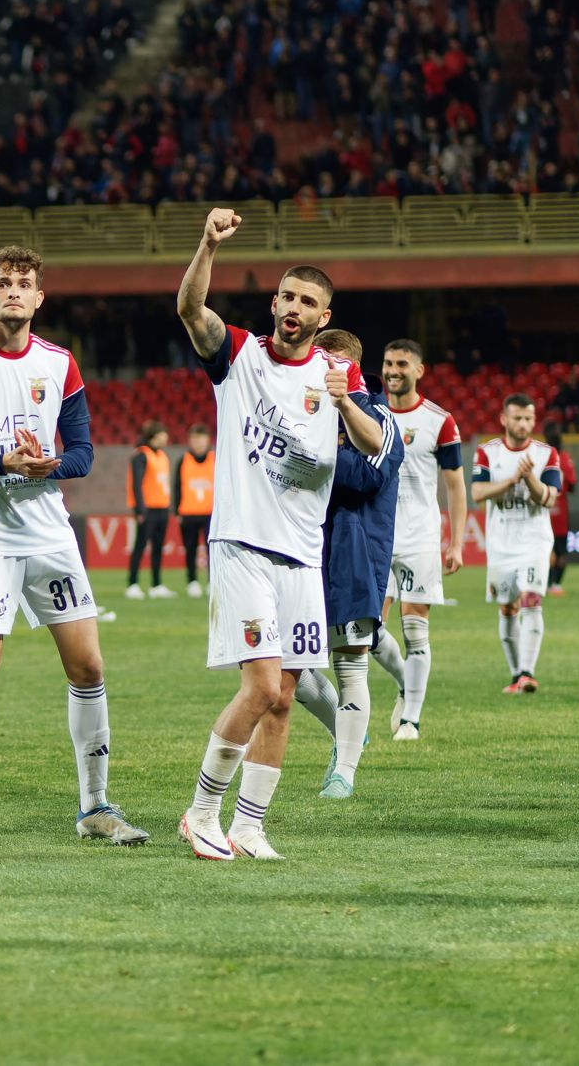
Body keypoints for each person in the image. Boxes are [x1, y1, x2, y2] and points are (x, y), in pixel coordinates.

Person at [0, 244, 148, 851]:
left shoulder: (60, 363)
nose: (14, 291)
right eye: (3, 283)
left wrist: (51, 467)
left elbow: (83, 451)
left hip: (49, 533)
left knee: (89, 666)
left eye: (24, 283)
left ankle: (95, 807)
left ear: (40, 297)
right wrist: (0, 460)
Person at [173, 207, 385, 861]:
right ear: (274, 303)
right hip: (243, 545)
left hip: (303, 556)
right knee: (262, 686)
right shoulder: (240, 354)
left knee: (286, 698)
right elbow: (190, 308)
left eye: (309, 301)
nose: (295, 306)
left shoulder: (337, 376)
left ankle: (251, 822)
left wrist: (345, 398)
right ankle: (202, 811)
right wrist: (208, 244)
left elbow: (375, 446)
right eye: (288, 295)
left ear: (325, 317)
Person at [299, 330, 402, 800]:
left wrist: (308, 455)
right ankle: (346, 734)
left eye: (335, 361)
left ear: (352, 365)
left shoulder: (379, 414)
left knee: (350, 667)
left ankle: (345, 771)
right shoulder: (303, 408)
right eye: (322, 360)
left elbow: (367, 475)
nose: (327, 369)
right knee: (286, 672)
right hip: (298, 553)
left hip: (353, 556)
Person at [376, 338, 467, 740]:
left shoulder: (439, 421)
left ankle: (411, 717)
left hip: (419, 536)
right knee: (366, 631)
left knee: (415, 630)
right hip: (375, 533)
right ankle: (404, 683)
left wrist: (457, 541)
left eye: (401, 364)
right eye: (387, 363)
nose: (392, 370)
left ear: (419, 370)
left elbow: (455, 487)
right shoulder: (368, 412)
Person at [470, 395, 561, 694]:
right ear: (504, 419)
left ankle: (528, 672)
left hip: (534, 541)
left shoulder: (547, 454)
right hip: (500, 544)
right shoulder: (487, 453)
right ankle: (514, 676)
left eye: (528, 419)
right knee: (507, 607)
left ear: (534, 421)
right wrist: (511, 480)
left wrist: (529, 479)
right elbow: (478, 493)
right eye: (517, 418)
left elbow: (549, 497)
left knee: (531, 600)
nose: (523, 424)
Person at [125, 420, 174, 599]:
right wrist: (140, 509)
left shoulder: (162, 456)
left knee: (158, 547)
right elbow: (136, 484)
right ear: (155, 436)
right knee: (140, 545)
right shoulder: (141, 455)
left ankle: (156, 584)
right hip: (148, 509)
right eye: (163, 434)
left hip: (162, 507)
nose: (166, 437)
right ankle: (132, 583)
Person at [173, 422, 214, 596]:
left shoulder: (215, 458)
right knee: (189, 549)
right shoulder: (184, 459)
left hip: (210, 513)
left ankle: (213, 581)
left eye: (200, 439)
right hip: (188, 513)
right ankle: (192, 581)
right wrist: (176, 510)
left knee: (213, 550)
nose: (197, 443)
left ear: (207, 440)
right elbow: (177, 485)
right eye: (194, 439)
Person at [545, 426, 576, 595]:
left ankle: (547, 583)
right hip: (561, 513)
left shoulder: (541, 458)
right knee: (561, 552)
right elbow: (572, 485)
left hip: (545, 511)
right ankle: (556, 584)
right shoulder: (565, 459)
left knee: (547, 550)